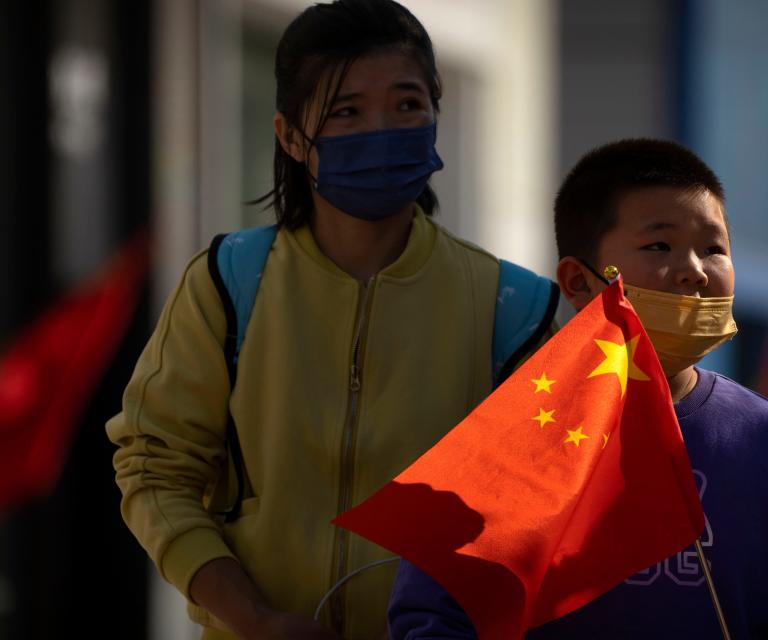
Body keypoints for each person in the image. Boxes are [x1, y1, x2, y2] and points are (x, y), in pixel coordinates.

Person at [106, 2, 555, 639]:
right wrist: (253, 618)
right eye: (348, 112)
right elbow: (155, 470)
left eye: (407, 104)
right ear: (290, 137)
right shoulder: (229, 283)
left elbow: (544, 514)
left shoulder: (515, 306)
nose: (384, 129)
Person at [388, 138, 768, 638]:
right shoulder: (512, 441)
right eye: (658, 246)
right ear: (579, 283)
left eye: (714, 248)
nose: (694, 270)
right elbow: (433, 615)